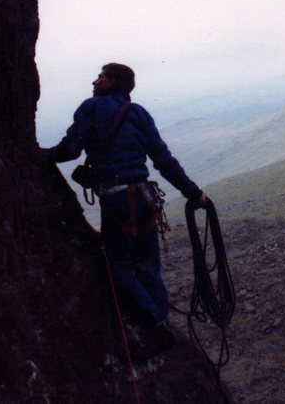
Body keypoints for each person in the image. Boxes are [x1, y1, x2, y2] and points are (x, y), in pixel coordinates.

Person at [46, 62, 206, 358]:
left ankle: (154, 326)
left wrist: (39, 156)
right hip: (146, 196)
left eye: (101, 77)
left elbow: (70, 149)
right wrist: (193, 192)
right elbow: (163, 158)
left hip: (118, 198)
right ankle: (162, 322)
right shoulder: (139, 113)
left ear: (113, 82)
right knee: (149, 268)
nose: (94, 81)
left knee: (119, 268)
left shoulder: (91, 107)